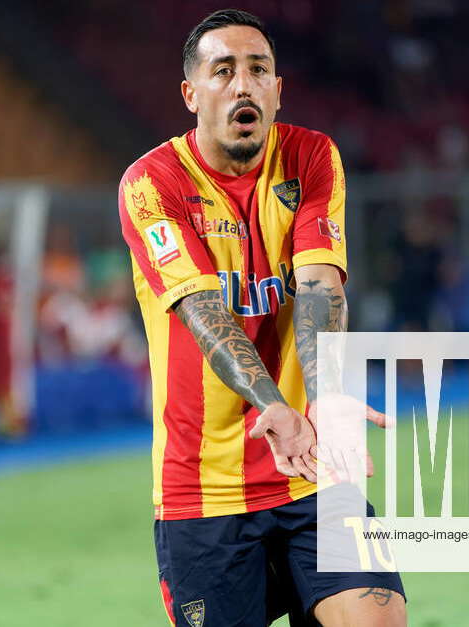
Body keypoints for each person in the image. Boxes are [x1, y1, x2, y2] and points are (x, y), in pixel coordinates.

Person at [118, 10, 406, 626]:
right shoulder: (151, 183)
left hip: (312, 467)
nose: (243, 85)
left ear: (279, 88)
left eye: (259, 69)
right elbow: (202, 311)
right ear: (191, 94)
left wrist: (325, 397)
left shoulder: (310, 157)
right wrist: (270, 403)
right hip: (205, 489)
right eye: (223, 71)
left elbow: (319, 286)